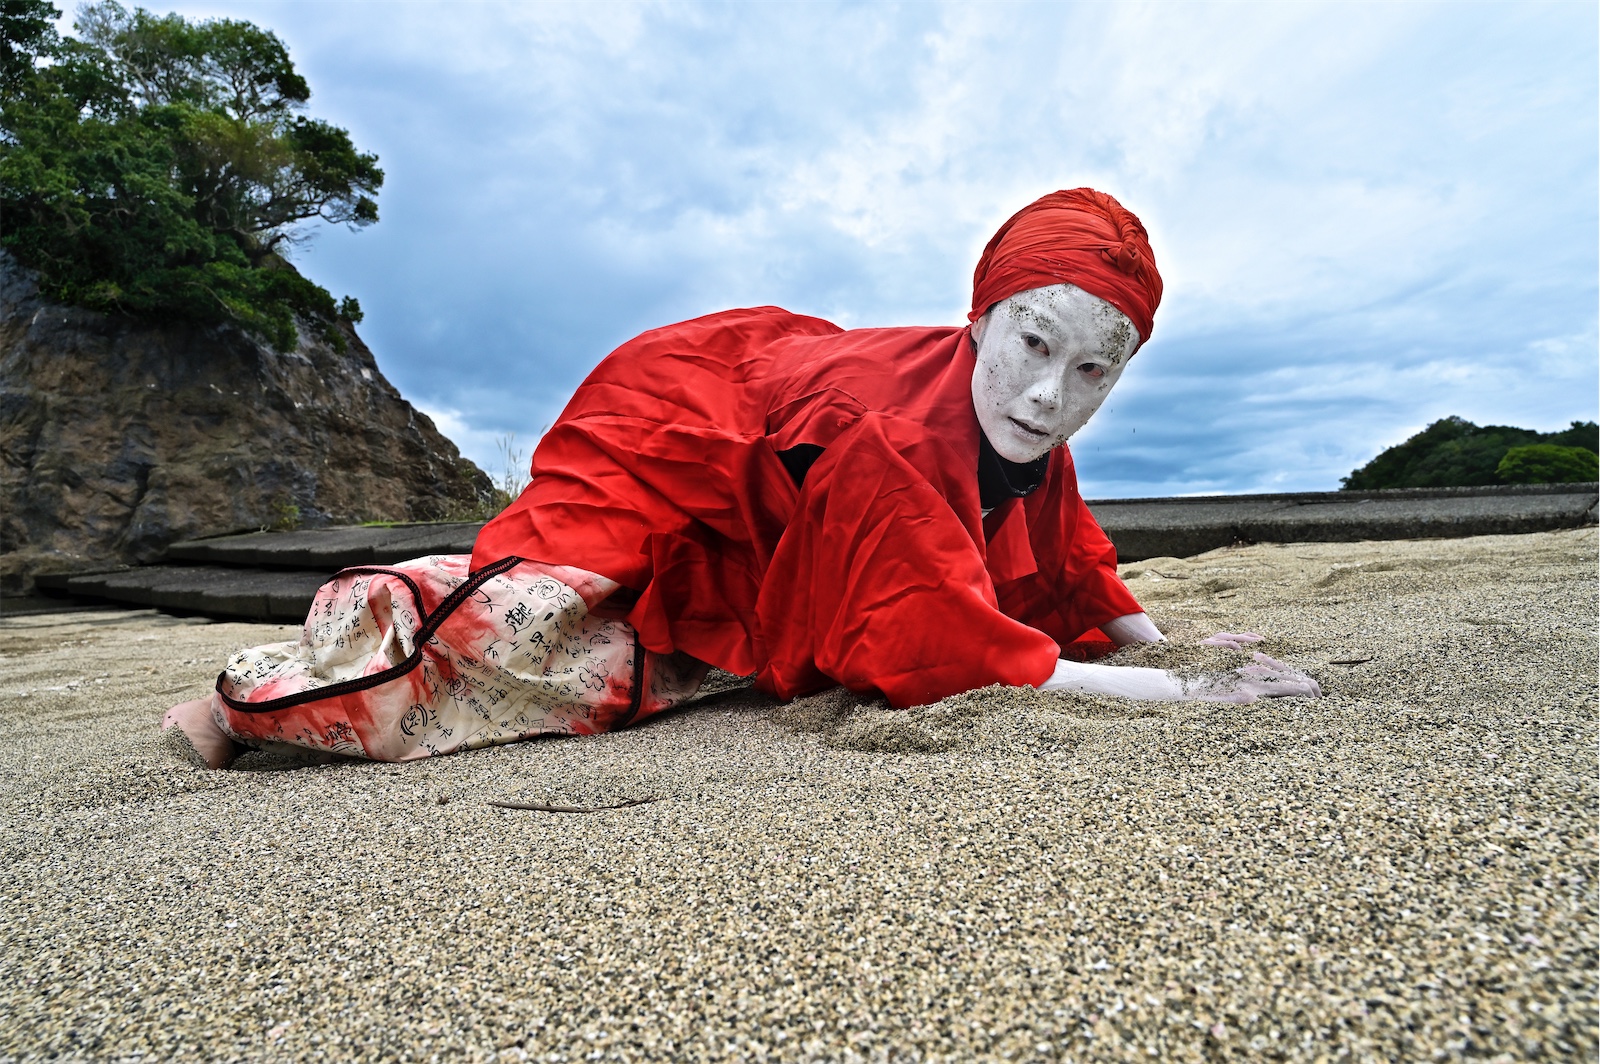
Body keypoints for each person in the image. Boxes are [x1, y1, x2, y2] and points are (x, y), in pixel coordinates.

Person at [162, 188, 1320, 769]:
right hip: (672, 430)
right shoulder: (897, 433)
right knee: (528, 631)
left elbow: (1069, 558)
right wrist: (1178, 700)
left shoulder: (1029, 425)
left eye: (1090, 370)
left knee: (678, 669)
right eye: (1029, 343)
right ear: (979, 317)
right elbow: (941, 645)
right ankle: (236, 700)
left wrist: (1162, 641)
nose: (1046, 396)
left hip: (778, 501)